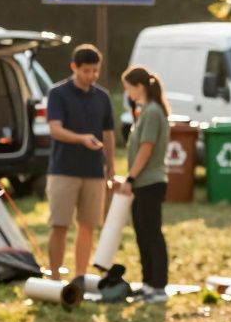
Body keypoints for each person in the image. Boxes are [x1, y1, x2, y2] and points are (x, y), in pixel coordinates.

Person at [46, 44, 116, 278]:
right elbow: (55, 130)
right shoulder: (58, 94)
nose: (91, 76)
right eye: (86, 71)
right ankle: (55, 276)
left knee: (88, 226)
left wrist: (110, 167)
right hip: (63, 170)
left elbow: (108, 133)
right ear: (74, 67)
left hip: (94, 171)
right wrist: (81, 139)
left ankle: (80, 277)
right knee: (60, 225)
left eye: (95, 71)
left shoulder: (103, 97)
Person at [118, 66, 171, 303]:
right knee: (142, 233)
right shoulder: (146, 111)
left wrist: (130, 178)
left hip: (150, 182)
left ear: (139, 87)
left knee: (151, 234)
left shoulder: (152, 112)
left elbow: (146, 148)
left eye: (128, 88)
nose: (127, 93)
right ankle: (148, 283)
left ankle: (158, 286)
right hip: (142, 182)